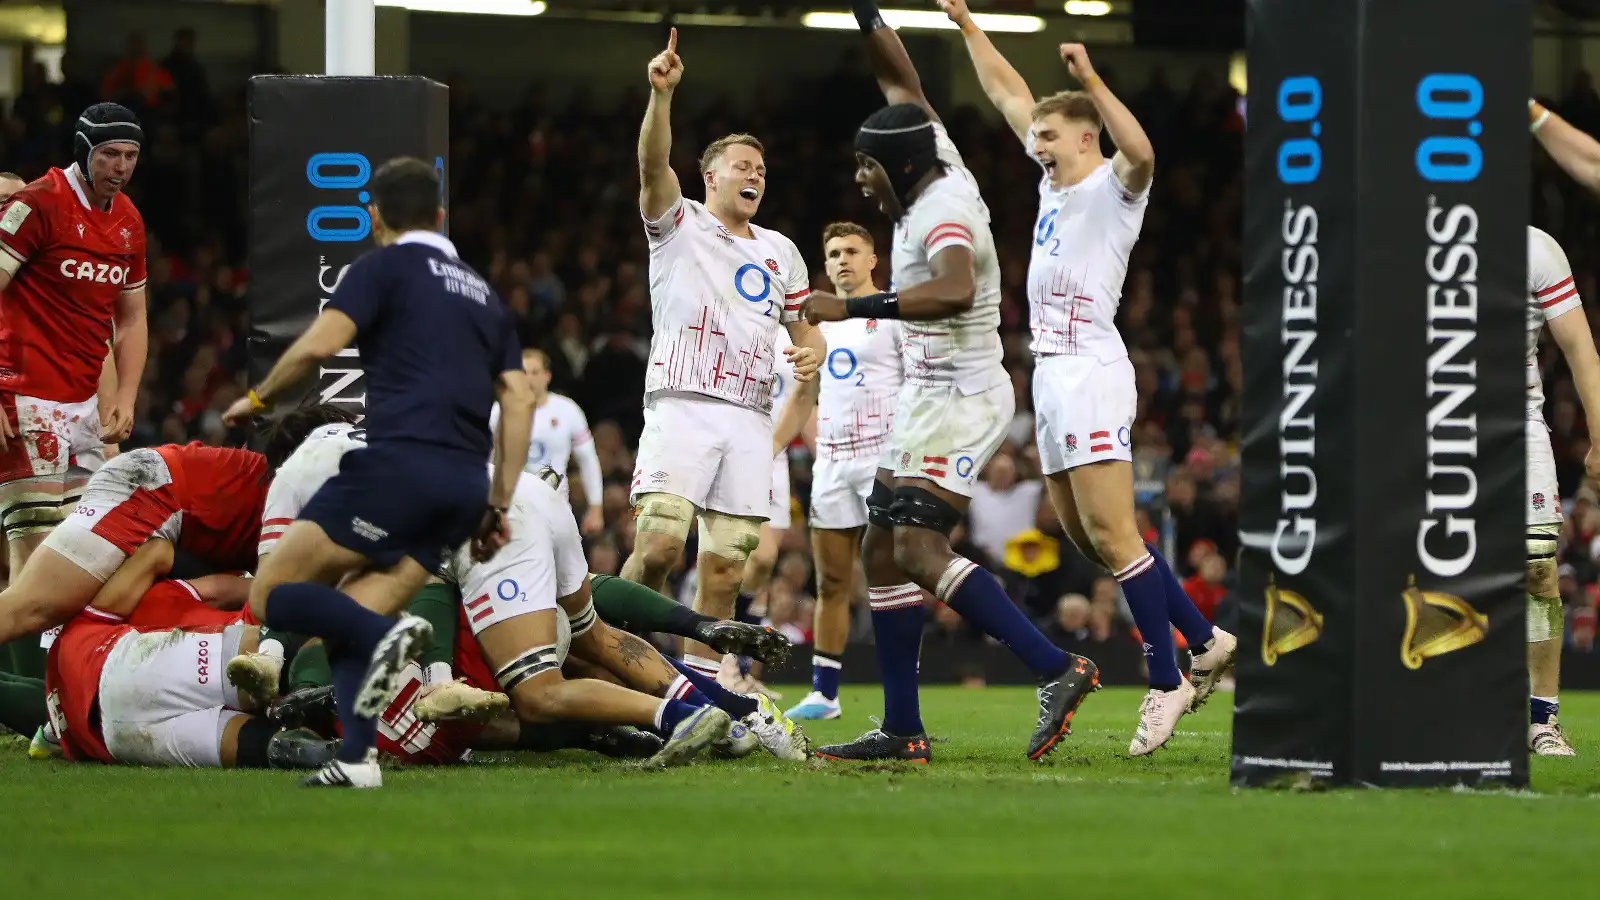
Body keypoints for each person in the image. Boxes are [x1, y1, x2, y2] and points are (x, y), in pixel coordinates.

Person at [800, 2, 1098, 763]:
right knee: (880, 549)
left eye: (867, 166)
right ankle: (903, 729)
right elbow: (900, 79)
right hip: (925, 398)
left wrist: (853, 305)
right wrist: (866, 11)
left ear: (897, 167)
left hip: (964, 398)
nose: (860, 179)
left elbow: (958, 287)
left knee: (919, 548)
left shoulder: (942, 212)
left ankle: (1057, 666)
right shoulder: (926, 156)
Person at [943, 1, 1236, 756]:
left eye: (1046, 135)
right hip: (1051, 373)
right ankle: (1204, 642)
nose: (1031, 142)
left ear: (1081, 136)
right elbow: (1010, 94)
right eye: (1033, 135)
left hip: (1091, 368)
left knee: (1114, 533)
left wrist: (1093, 78)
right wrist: (971, 27)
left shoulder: (1113, 186)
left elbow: (1141, 150)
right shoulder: (1051, 184)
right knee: (1085, 535)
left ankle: (1167, 679)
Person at [222, 157, 536, 789]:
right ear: (441, 216)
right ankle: (358, 760)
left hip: (396, 468)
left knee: (271, 595)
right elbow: (521, 399)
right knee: (352, 614)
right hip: (462, 487)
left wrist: (256, 401)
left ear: (375, 217)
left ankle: (379, 633)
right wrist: (496, 503)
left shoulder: (383, 268)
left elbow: (317, 346)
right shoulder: (482, 292)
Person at [622, 27, 825, 683]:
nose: (755, 175)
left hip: (747, 418)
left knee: (725, 565)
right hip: (682, 402)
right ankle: (607, 659)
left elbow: (806, 334)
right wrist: (662, 97)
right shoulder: (678, 222)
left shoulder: (781, 251)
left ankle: (703, 696)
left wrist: (810, 356)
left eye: (761, 170)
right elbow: (653, 164)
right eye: (743, 166)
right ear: (708, 177)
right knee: (655, 547)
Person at [0, 105, 149, 600]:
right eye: (109, 154)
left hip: (84, 409)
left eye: (130, 156)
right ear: (85, 151)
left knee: (83, 562)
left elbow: (130, 320)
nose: (121, 167)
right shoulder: (38, 203)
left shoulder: (129, 222)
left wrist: (125, 397)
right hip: (26, 400)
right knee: (35, 561)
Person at [43, 539, 337, 770]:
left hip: (117, 739)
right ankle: (305, 691)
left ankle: (321, 749)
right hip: (129, 666)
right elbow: (159, 552)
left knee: (266, 746)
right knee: (302, 623)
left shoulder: (55, 697)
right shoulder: (87, 621)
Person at [787, 222, 903, 721]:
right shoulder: (817, 325)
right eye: (833, 252)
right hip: (833, 463)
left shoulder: (896, 313)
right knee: (831, 581)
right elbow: (804, 396)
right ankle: (824, 693)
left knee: (892, 579)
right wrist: (776, 448)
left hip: (885, 460)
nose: (842, 260)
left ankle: (902, 693)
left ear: (873, 259)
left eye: (852, 250)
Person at [1521, 227, 1600, 757]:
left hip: (1514, 426)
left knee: (1538, 563)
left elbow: (1580, 348)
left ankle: (1541, 718)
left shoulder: (1534, 248)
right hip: (1428, 426)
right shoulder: (1408, 242)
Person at [490, 348, 607, 535]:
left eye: (534, 372)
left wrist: (595, 508)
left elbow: (588, 460)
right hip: (513, 508)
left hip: (556, 505)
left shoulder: (568, 410)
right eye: (523, 373)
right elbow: (489, 461)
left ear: (547, 376)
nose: (528, 378)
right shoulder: (500, 411)